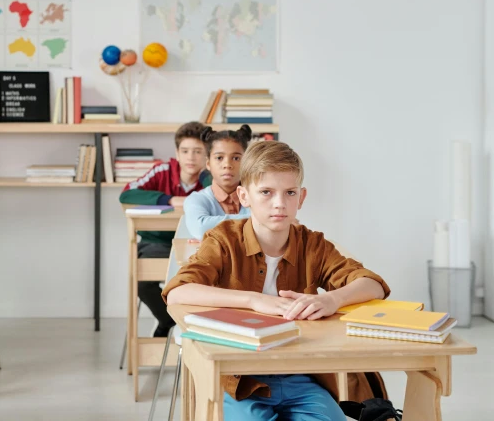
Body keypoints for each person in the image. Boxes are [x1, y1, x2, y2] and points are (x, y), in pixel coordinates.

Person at [164, 141, 389, 421]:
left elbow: (373, 284)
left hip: (299, 374)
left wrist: (331, 299)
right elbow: (177, 292)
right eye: (266, 193)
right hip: (236, 379)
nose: (279, 204)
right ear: (244, 196)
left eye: (289, 192)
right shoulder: (223, 240)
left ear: (301, 197)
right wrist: (254, 300)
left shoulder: (313, 245)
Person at [119, 121, 210, 337]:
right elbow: (127, 193)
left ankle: (191, 331)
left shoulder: (209, 177)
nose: (191, 157)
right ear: (177, 154)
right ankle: (168, 320)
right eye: (185, 151)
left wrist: (207, 176)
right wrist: (168, 199)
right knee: (143, 282)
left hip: (193, 245)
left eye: (198, 152)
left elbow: (221, 195)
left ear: (206, 156)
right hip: (156, 243)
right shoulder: (162, 171)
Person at [183, 125, 252, 239]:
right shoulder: (196, 199)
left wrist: (213, 236)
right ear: (208, 163)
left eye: (236, 158)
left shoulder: (256, 196)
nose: (227, 165)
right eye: (219, 158)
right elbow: (201, 228)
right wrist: (256, 220)